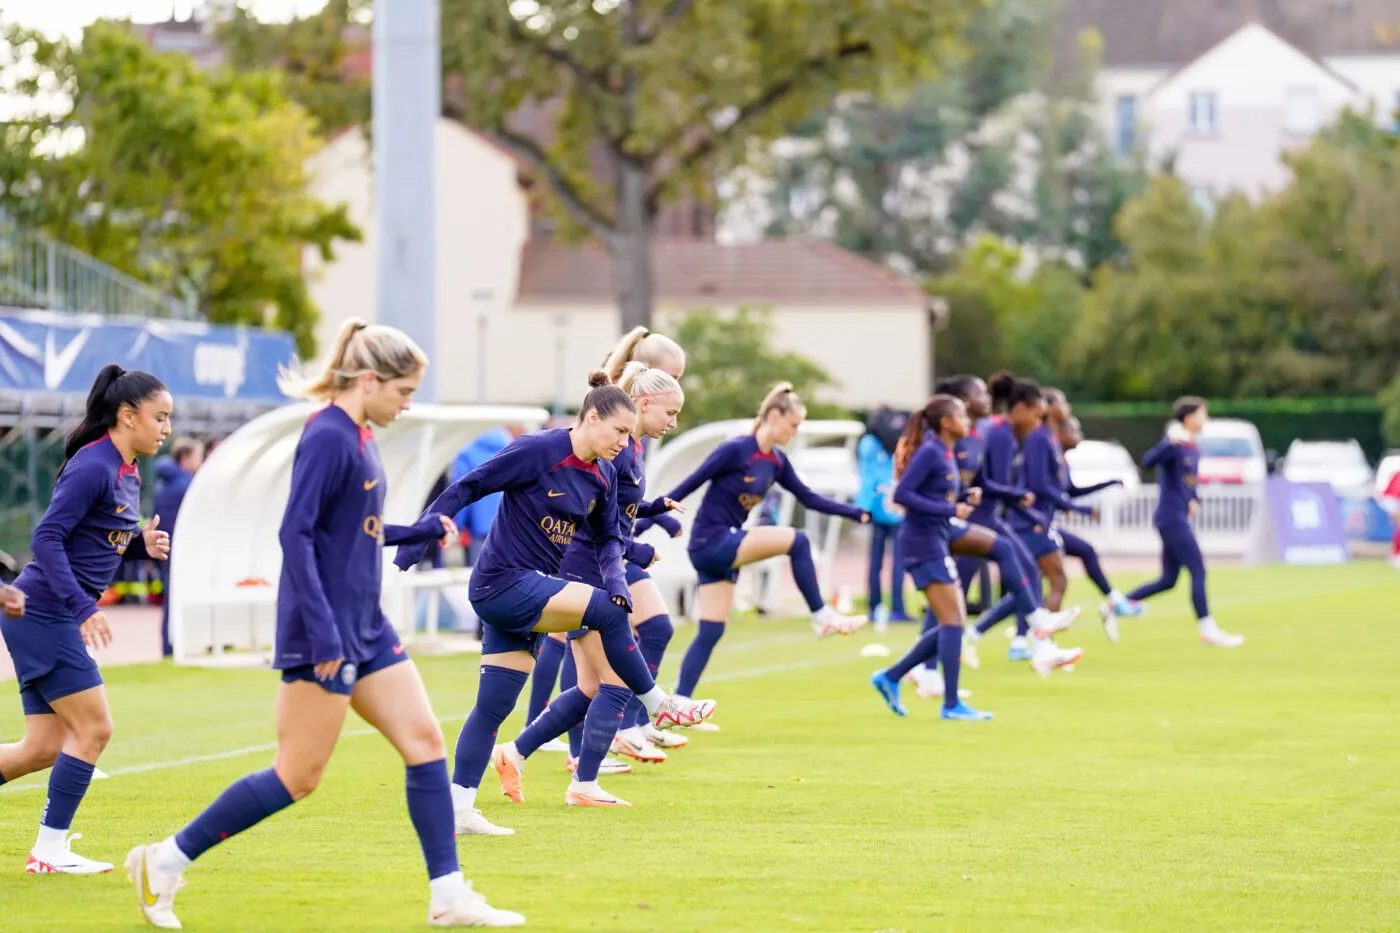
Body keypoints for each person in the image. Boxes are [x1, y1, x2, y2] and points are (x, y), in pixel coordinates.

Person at [124, 320, 523, 928]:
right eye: (404, 392)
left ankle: (447, 896)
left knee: (424, 744)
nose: (407, 404)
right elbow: (296, 533)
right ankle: (164, 861)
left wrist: (416, 531)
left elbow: (356, 530)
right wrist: (323, 632)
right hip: (326, 632)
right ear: (370, 380)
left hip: (366, 625)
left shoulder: (359, 435)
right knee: (297, 776)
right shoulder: (329, 435)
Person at [392, 371, 716, 835]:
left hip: (529, 593)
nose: (623, 442)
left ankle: (458, 810)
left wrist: (617, 580)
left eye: (628, 434)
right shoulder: (538, 450)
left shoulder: (605, 473)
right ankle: (657, 702)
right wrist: (415, 543)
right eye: (619, 431)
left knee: (493, 708)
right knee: (608, 613)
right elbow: (468, 486)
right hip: (502, 583)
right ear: (591, 417)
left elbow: (608, 538)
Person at [490, 361, 688, 807]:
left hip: (596, 568)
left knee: (591, 687)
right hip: (586, 569)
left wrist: (655, 509)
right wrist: (636, 551)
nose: (673, 423)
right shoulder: (616, 448)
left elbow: (617, 511)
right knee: (615, 681)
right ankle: (584, 780)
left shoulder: (629, 448)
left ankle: (516, 752)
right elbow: (595, 520)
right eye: (671, 412)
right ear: (644, 404)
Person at [0, 365, 172, 874]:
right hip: (42, 612)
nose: (166, 428)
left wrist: (139, 544)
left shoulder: (128, 469)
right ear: (128, 415)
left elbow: (99, 537)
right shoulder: (94, 465)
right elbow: (46, 538)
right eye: (160, 417)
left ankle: (50, 851)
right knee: (95, 729)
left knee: (42, 748)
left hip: (43, 613)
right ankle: (49, 852)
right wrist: (82, 607)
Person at [663, 383, 872, 715]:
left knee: (711, 631)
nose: (795, 432)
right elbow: (688, 485)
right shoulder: (736, 450)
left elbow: (808, 498)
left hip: (724, 551)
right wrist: (645, 518)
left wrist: (855, 512)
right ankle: (821, 616)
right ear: (774, 416)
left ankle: (677, 706)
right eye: (793, 424)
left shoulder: (776, 461)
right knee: (798, 541)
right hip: (711, 541)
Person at [944, 377, 1082, 676]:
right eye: (1035, 414)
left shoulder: (1002, 434)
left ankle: (1034, 642)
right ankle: (928, 664)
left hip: (988, 516)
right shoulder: (1001, 435)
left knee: (1026, 570)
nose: (1037, 421)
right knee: (952, 596)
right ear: (1019, 409)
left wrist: (1025, 507)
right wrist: (1026, 509)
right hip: (977, 517)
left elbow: (990, 484)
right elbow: (993, 485)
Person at [868, 395, 992, 720]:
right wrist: (950, 509)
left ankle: (891, 676)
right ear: (946, 422)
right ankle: (950, 705)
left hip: (935, 541)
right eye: (961, 415)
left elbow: (936, 494)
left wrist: (964, 496)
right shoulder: (931, 452)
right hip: (922, 545)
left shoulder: (945, 452)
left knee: (954, 623)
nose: (967, 420)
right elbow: (902, 494)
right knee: (953, 623)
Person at [1124, 397, 1245, 648]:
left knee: (1168, 580)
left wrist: (1193, 499)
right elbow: (1147, 462)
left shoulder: (1193, 447)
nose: (1206, 419)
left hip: (1178, 516)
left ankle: (1117, 604)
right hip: (1171, 518)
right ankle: (1208, 630)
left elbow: (1187, 481)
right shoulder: (1176, 444)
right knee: (1198, 570)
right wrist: (1167, 443)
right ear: (1189, 418)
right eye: (1202, 414)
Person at [1055, 416, 1144, 642]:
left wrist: (1109, 482)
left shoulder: (1062, 461)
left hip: (1045, 527)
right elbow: (1049, 495)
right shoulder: (1051, 458)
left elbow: (1072, 491)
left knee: (1082, 554)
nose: (1080, 436)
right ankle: (1025, 637)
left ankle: (1025, 637)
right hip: (1034, 528)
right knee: (1043, 584)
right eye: (1075, 431)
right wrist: (1083, 511)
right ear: (1061, 434)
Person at [857, 406, 911, 626]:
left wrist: (862, 507)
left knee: (875, 562)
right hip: (897, 506)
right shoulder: (901, 440)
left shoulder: (869, 442)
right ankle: (898, 608)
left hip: (876, 506)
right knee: (898, 562)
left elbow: (867, 477)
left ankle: (874, 607)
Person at [153, 437, 205, 657]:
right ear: (185, 458)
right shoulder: (186, 485)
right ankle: (178, 645)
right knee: (180, 601)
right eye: (197, 457)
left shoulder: (163, 484)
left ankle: (169, 646)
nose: (200, 462)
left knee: (170, 600)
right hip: (182, 552)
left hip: (166, 550)